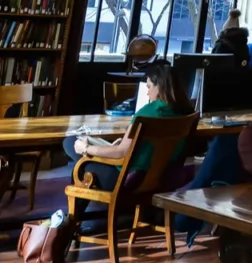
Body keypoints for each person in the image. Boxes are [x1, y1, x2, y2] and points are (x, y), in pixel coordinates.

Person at [64, 62, 193, 211]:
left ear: (159, 86)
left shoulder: (148, 113)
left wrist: (86, 148)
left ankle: (72, 219)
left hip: (129, 180)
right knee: (85, 153)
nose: (147, 93)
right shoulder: (186, 114)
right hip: (162, 179)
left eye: (149, 86)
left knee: (72, 147)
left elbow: (121, 153)